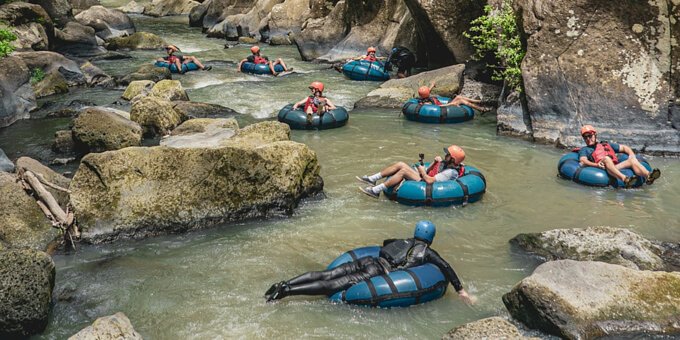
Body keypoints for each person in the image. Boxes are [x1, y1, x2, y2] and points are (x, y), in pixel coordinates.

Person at [265, 220, 476, 305]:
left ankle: (286, 283)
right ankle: (288, 292)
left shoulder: (402, 240)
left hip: (369, 259)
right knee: (332, 286)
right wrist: (461, 290)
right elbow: (445, 267)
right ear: (430, 237)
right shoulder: (428, 252)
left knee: (326, 274)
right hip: (377, 270)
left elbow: (384, 244)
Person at [357, 145, 466, 198]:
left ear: (453, 159)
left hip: (428, 186)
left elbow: (429, 180)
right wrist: (433, 163)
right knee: (401, 164)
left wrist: (422, 171)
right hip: (425, 179)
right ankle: (372, 179)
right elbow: (430, 172)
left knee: (403, 170)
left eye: (448, 155)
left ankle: (376, 191)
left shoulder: (450, 172)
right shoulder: (446, 164)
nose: (445, 155)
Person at [578, 125, 660, 188]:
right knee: (606, 158)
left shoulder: (606, 144)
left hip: (615, 167)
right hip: (603, 168)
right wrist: (596, 165)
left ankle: (648, 176)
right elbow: (583, 160)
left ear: (595, 135)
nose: (588, 139)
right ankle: (625, 179)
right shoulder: (585, 149)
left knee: (632, 160)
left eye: (590, 136)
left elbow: (625, 148)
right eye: (585, 137)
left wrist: (631, 155)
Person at [417, 82, 488, 112]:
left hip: (442, 104)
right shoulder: (427, 103)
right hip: (444, 107)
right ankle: (480, 109)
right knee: (461, 100)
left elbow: (427, 91)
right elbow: (437, 107)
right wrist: (451, 104)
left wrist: (432, 85)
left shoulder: (423, 97)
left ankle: (479, 102)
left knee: (459, 96)